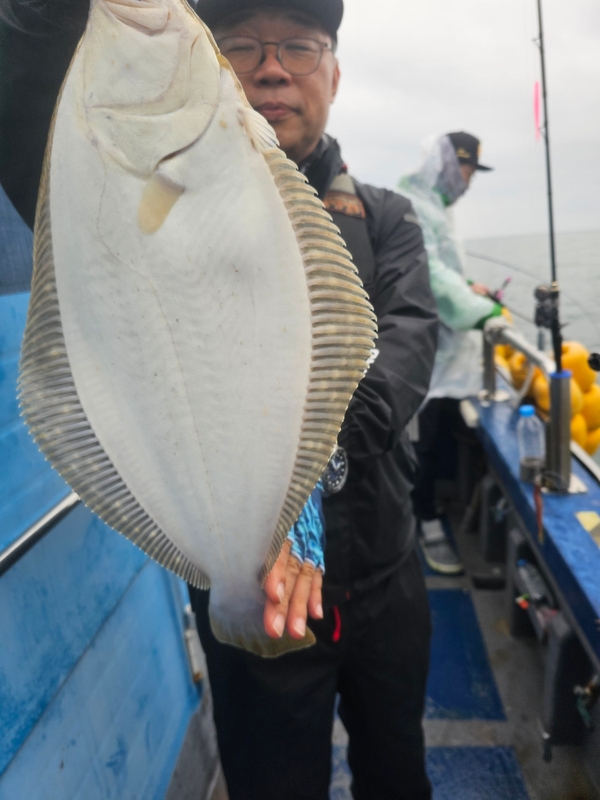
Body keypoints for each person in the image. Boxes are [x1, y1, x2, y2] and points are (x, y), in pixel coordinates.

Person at [0, 1, 438, 797]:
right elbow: (26, 86)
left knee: (397, 769)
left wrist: (304, 476)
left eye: (299, 46)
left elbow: (407, 349)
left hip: (385, 579)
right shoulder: (110, 180)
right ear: (215, 66)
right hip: (248, 590)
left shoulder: (389, 220)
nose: (271, 68)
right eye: (240, 44)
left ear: (335, 74)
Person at [398, 132, 501, 574]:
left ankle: (426, 507)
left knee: (434, 435)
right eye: (468, 170)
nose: (470, 181)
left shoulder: (436, 206)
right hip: (421, 354)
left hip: (442, 355)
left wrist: (472, 289)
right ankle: (422, 520)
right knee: (418, 445)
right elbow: (432, 275)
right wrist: (480, 310)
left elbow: (448, 271)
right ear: (449, 165)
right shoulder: (415, 205)